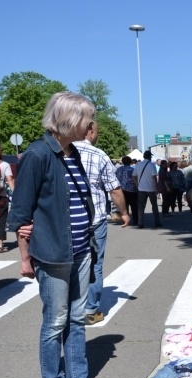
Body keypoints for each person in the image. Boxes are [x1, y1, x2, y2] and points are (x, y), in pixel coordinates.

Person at [7, 91, 108, 378]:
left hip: (81, 249)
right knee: (55, 321)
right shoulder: (37, 155)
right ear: (68, 120)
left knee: (76, 319)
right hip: (52, 253)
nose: (91, 124)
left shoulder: (74, 153)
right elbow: (20, 213)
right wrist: (25, 257)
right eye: (86, 118)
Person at [73, 121, 130, 326]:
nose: (97, 135)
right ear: (89, 131)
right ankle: (90, 310)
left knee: (70, 263)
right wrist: (124, 212)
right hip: (94, 219)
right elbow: (114, 190)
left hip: (66, 221)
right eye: (96, 131)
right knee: (95, 263)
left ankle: (70, 307)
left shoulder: (60, 153)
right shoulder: (99, 155)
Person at [133, 150, 162, 228]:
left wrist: (137, 185)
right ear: (150, 157)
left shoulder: (138, 165)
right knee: (154, 206)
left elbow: (134, 176)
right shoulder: (152, 165)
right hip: (151, 188)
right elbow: (154, 177)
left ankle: (140, 223)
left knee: (141, 207)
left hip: (141, 189)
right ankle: (157, 222)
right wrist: (156, 188)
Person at [116, 155, 138, 225]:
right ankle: (135, 220)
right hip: (132, 190)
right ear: (130, 162)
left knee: (124, 206)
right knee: (134, 206)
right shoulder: (132, 169)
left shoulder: (119, 169)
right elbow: (136, 179)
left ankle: (125, 220)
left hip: (122, 189)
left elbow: (116, 179)